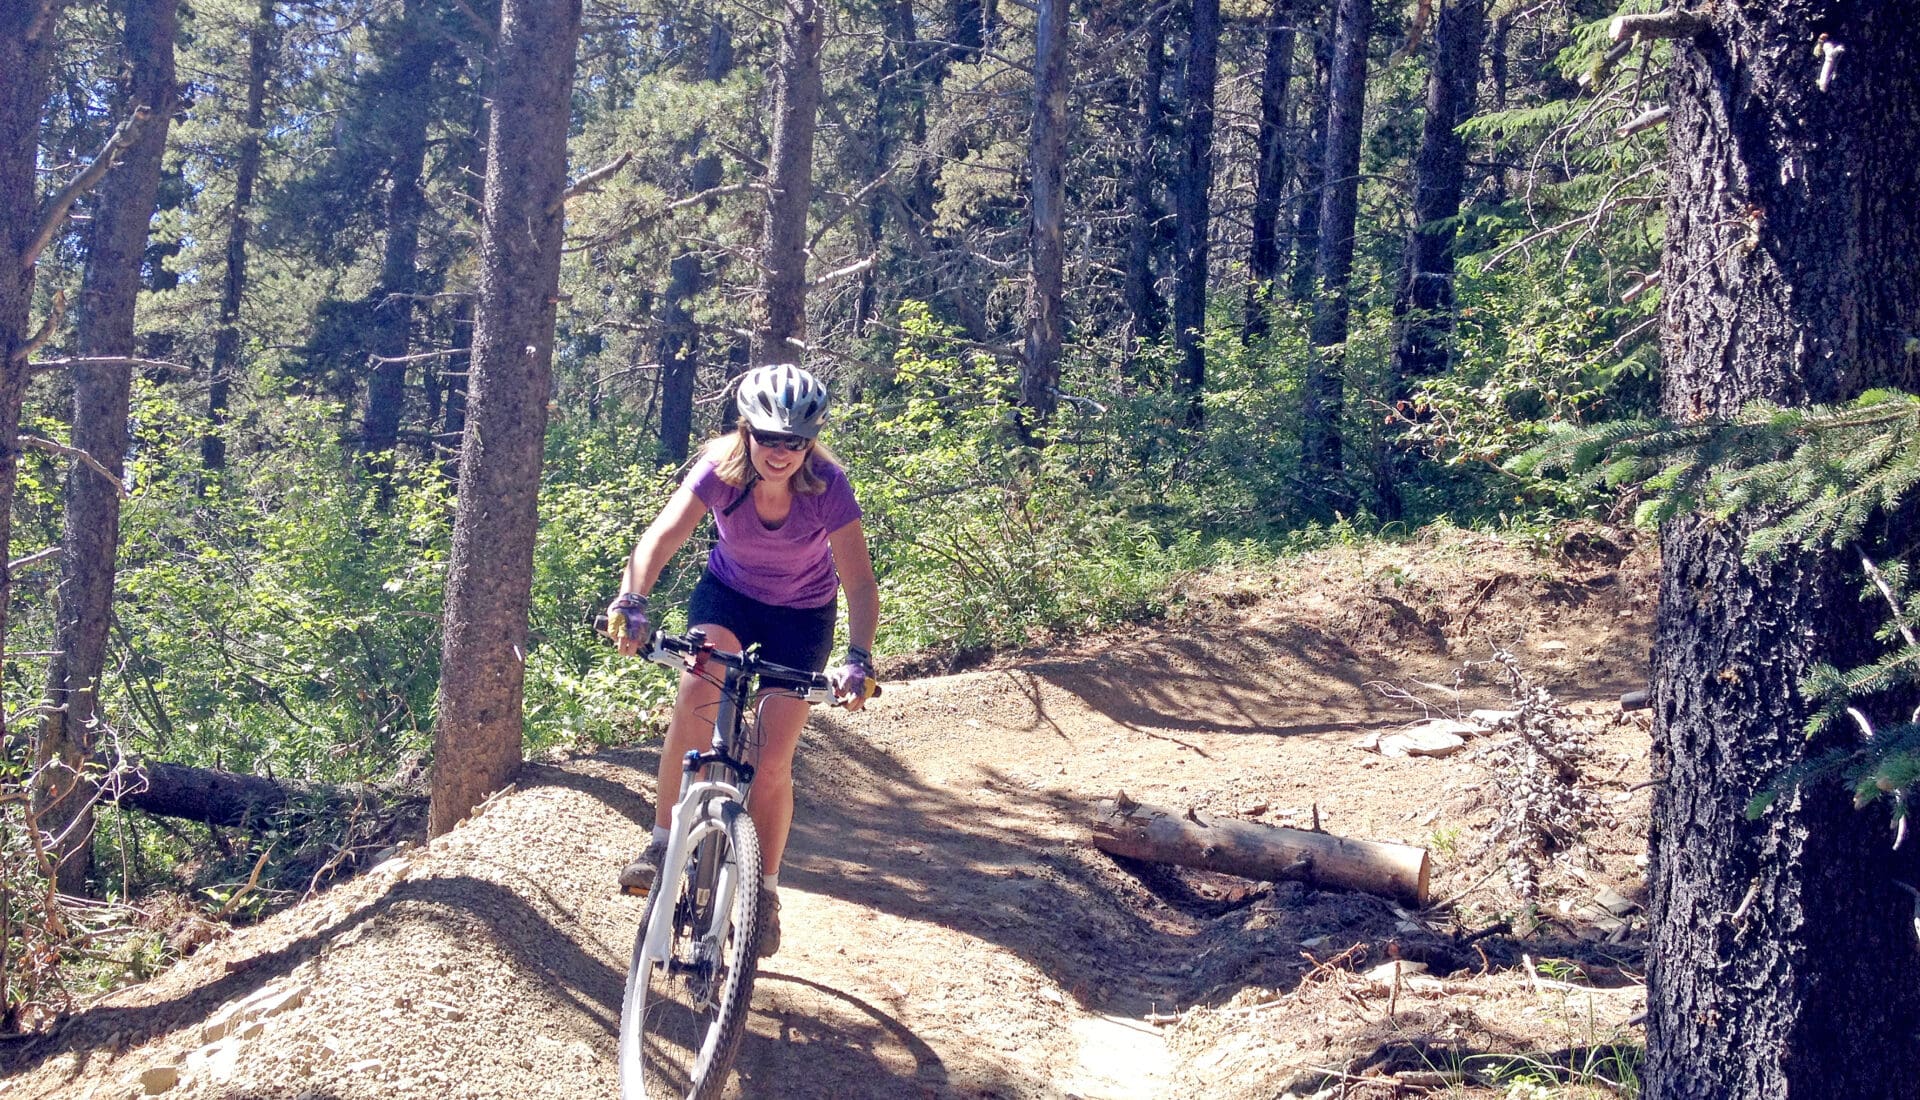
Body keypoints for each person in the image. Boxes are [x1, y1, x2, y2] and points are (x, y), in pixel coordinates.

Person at [605, 363, 878, 958]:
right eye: (768, 437)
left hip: (802, 614)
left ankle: (766, 893)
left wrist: (859, 658)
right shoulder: (719, 469)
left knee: (773, 757)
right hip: (728, 596)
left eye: (795, 441)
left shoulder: (828, 485)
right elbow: (660, 538)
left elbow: (859, 582)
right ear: (746, 430)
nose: (781, 453)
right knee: (698, 689)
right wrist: (632, 599)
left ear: (811, 443)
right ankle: (661, 843)